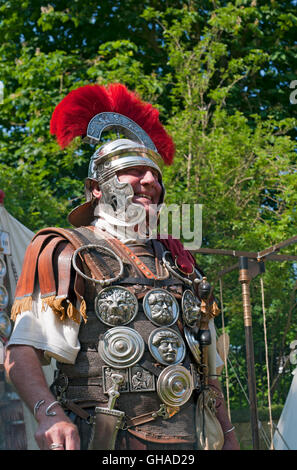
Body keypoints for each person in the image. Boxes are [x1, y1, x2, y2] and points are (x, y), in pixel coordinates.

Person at [4, 83, 239, 451]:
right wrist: (49, 413)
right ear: (97, 188)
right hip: (106, 440)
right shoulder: (68, 251)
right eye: (133, 171)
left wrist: (226, 431)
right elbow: (23, 352)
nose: (150, 181)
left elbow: (206, 372)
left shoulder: (180, 263)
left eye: (155, 174)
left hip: (190, 440)